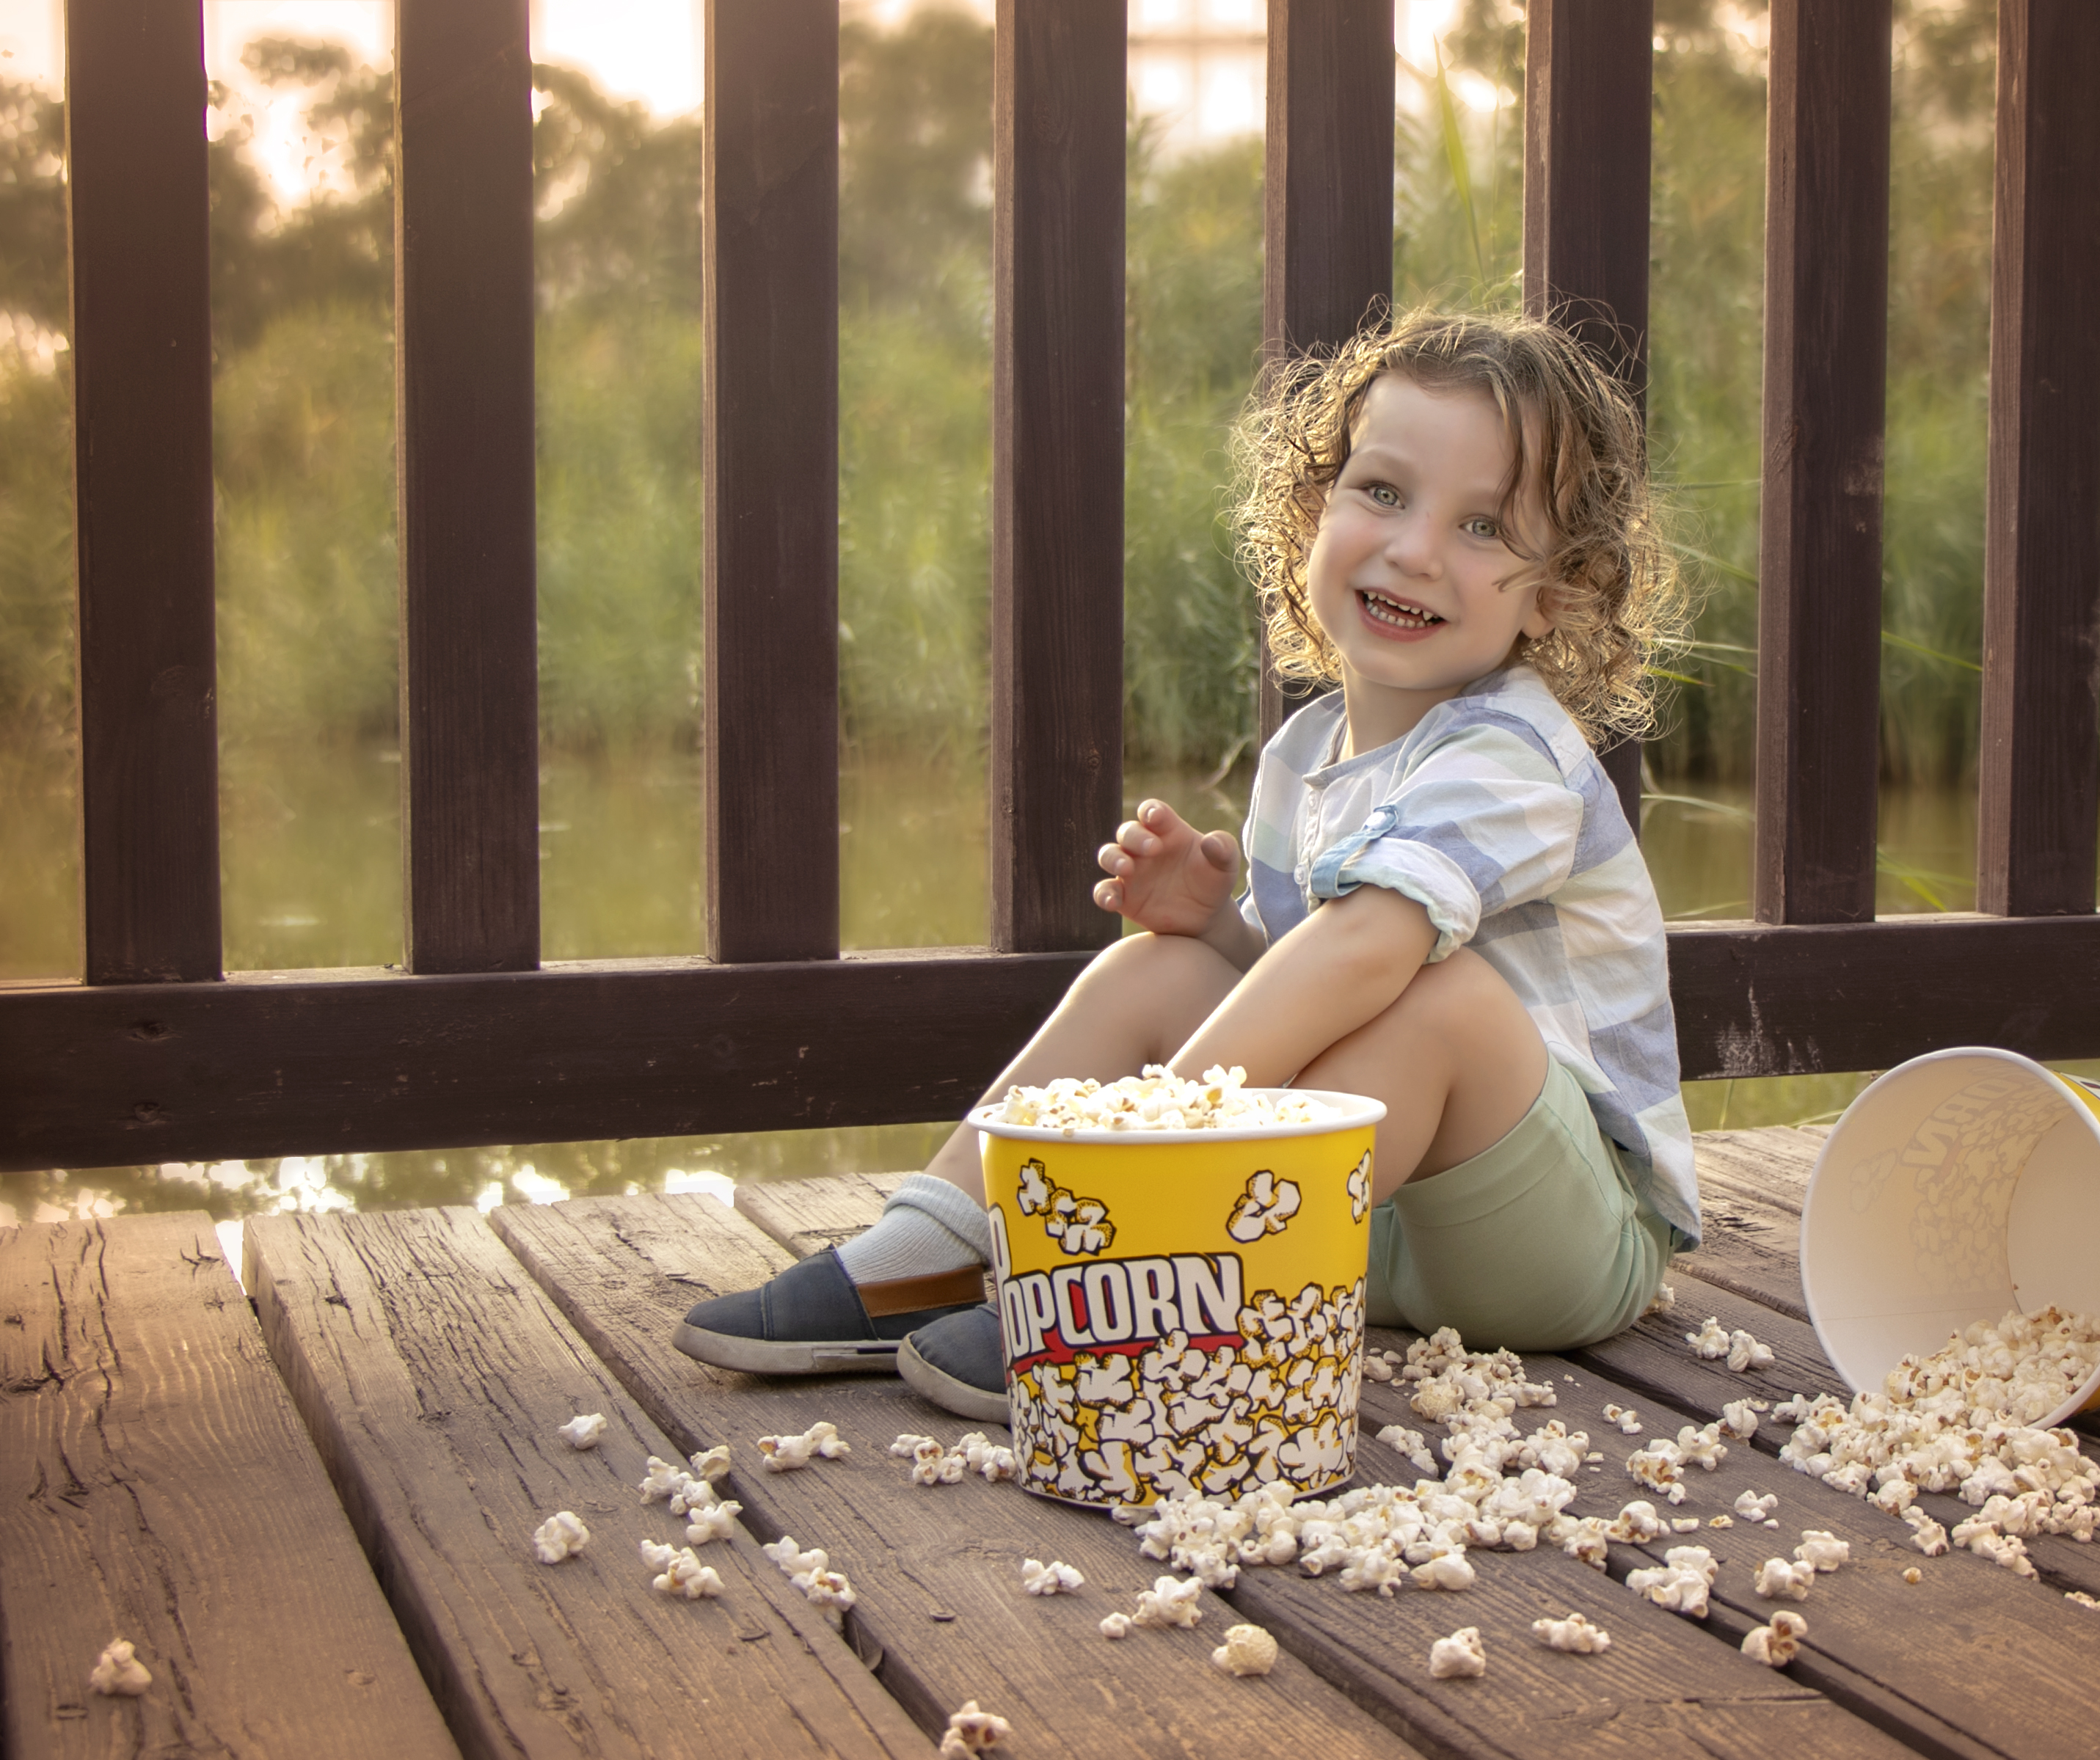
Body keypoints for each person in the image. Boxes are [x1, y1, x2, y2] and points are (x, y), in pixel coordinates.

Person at [672, 309, 1699, 1420]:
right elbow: (1306, 994)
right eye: (1383, 493)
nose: (1414, 550)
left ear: (1561, 591)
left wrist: (1144, 1143)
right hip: (1365, 1223)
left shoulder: (1513, 751)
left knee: (1433, 990)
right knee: (1151, 972)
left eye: (1485, 527)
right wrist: (1216, 935)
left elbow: (1364, 955)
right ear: (1313, 511)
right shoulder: (1305, 756)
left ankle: (1141, 1281)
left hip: (1556, 1243)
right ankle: (918, 1261)